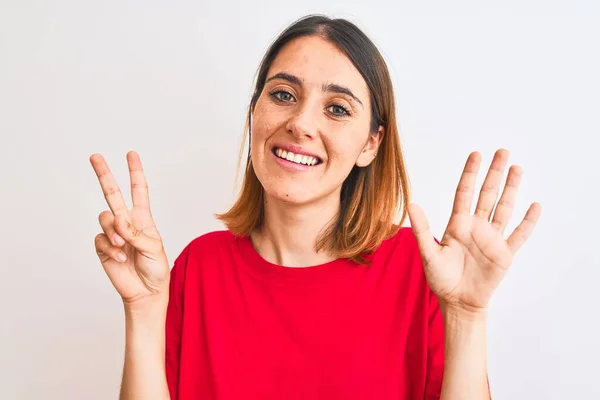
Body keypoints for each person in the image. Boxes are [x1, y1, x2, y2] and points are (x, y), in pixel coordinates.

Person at [90, 15, 541, 400]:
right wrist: (145, 311)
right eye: (283, 94)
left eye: (337, 108)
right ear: (255, 112)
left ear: (370, 143)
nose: (301, 123)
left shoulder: (420, 268)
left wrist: (466, 318)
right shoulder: (198, 268)